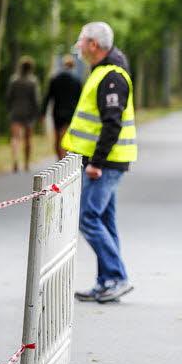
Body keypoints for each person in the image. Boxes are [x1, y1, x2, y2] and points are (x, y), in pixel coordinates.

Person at [64, 22, 137, 303]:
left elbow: (112, 123)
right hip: (104, 161)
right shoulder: (102, 71)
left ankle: (118, 277)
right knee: (104, 220)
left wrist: (96, 162)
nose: (78, 46)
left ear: (93, 44)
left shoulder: (111, 77)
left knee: (88, 217)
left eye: (81, 41)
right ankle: (106, 281)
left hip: (105, 163)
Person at [41, 54, 82, 159]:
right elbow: (81, 100)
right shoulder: (77, 81)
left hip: (57, 112)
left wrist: (43, 113)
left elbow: (48, 97)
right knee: (67, 137)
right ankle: (65, 159)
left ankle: (60, 158)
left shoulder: (55, 79)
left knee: (57, 137)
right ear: (73, 66)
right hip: (71, 113)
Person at [7, 56, 40, 172]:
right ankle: (26, 163)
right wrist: (37, 113)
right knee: (28, 139)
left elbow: (9, 97)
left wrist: (9, 109)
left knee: (15, 138)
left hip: (15, 112)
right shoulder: (33, 81)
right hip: (29, 114)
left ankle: (15, 160)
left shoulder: (14, 80)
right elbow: (36, 99)